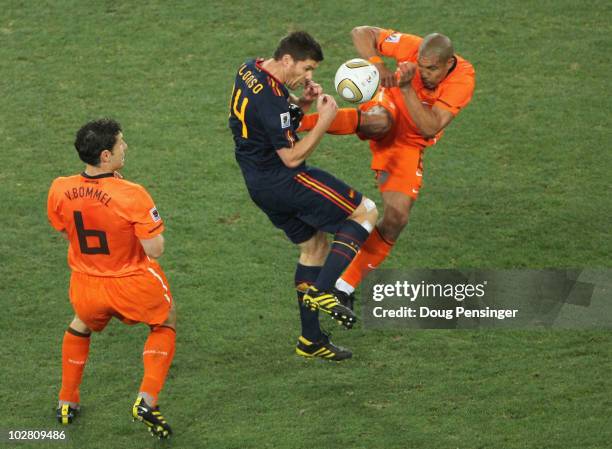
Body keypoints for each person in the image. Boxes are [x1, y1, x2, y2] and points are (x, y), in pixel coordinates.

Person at [298, 26, 475, 304]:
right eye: (421, 66)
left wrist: (406, 88)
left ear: (448, 63)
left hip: (410, 142)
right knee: (379, 121)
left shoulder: (463, 80)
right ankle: (297, 121)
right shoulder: (412, 47)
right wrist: (377, 63)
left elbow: (429, 127)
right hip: (387, 107)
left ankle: (343, 287)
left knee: (396, 218)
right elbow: (360, 32)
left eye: (431, 69)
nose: (424, 73)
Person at [229, 31, 378, 361]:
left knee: (314, 247)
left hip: (256, 183)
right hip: (284, 180)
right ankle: (324, 290)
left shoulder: (249, 68)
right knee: (365, 212)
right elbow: (291, 156)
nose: (308, 76)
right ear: (286, 60)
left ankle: (310, 340)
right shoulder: (271, 97)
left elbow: (272, 120)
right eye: (306, 68)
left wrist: (302, 105)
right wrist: (324, 120)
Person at [47, 119, 176, 439]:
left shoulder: (59, 187)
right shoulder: (132, 194)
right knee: (165, 321)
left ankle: (66, 400)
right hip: (131, 282)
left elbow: (66, 230)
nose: (126, 146)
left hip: (86, 284)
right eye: (121, 143)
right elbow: (155, 249)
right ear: (106, 156)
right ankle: (147, 400)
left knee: (81, 322)